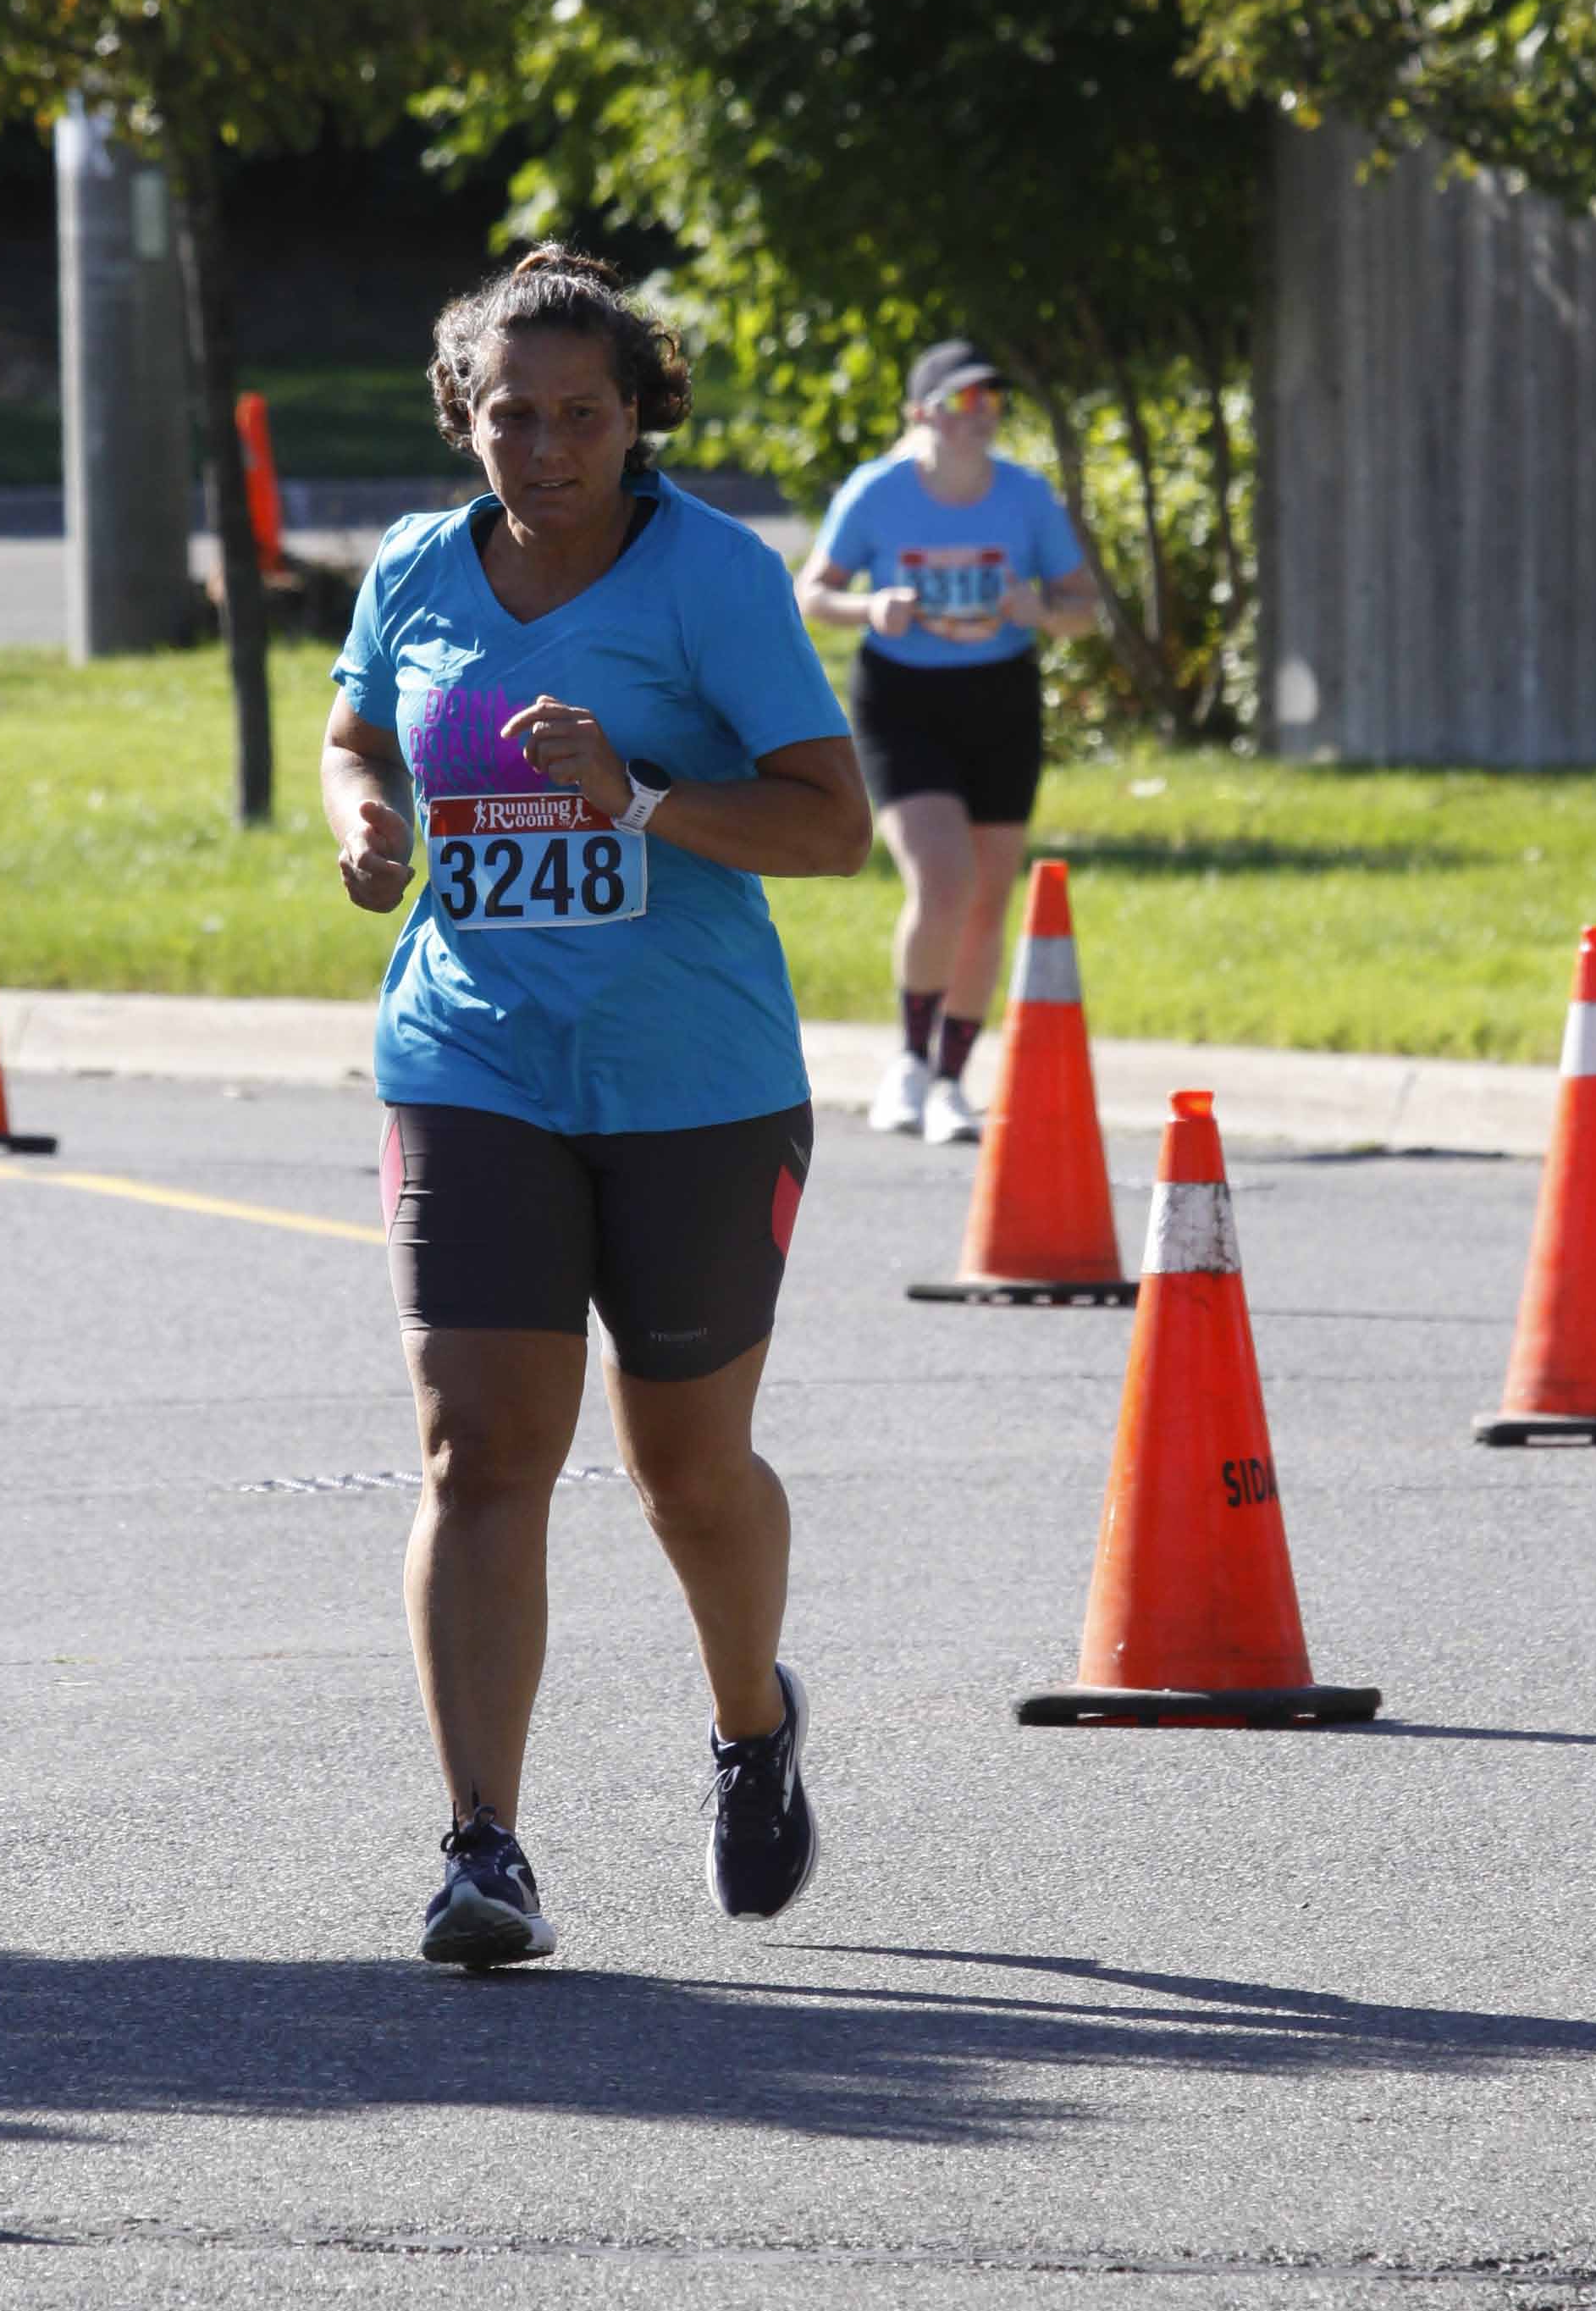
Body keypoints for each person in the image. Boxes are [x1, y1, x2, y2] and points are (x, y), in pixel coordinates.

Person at [322, 249, 872, 1968]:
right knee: (479, 1450)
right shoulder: (416, 568)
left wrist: (636, 795)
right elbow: (355, 733)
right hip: (469, 1058)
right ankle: (480, 1848)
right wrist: (362, 818)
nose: (546, 448)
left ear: (638, 418)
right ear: (461, 417)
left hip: (692, 1077)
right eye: (512, 415)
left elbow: (830, 826)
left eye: (581, 414)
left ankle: (751, 1720)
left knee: (684, 1471)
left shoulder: (714, 578)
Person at [796, 339, 1102, 1142]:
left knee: (989, 896)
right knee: (942, 879)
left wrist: (1044, 612)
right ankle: (906, 1060)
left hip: (1000, 699)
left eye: (992, 400)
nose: (982, 414)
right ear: (922, 413)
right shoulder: (880, 491)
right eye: (964, 400)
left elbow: (1083, 606)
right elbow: (812, 593)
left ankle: (951, 1082)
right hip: (902, 698)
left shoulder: (1026, 496)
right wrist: (871, 608)